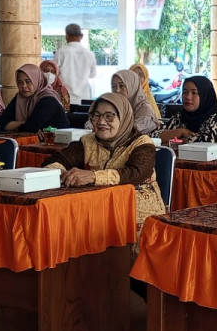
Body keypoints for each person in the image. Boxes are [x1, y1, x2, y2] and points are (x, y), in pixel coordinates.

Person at [44, 92, 165, 238]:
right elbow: (54, 160)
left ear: (124, 117)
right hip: (98, 210)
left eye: (109, 116)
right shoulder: (88, 142)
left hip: (136, 215)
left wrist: (93, 177)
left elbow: (135, 173)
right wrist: (64, 174)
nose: (101, 122)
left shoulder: (142, 143)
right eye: (97, 115)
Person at [159, 75, 217, 144]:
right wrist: (180, 132)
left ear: (204, 96)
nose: (188, 97)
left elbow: (207, 144)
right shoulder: (181, 116)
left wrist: (173, 141)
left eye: (194, 93)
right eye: (185, 92)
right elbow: (151, 136)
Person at [0, 63, 69, 133]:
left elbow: (32, 126)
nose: (24, 86)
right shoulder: (19, 98)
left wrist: (15, 125)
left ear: (37, 81)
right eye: (20, 82)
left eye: (28, 82)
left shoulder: (48, 99)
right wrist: (24, 123)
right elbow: (0, 123)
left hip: (59, 142)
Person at [53, 23, 97, 103]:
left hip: (64, 99)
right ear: (81, 36)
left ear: (67, 36)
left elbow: (53, 75)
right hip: (83, 99)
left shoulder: (61, 53)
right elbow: (92, 75)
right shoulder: (89, 54)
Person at [110, 68, 161, 136]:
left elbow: (132, 132)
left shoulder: (144, 109)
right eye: (113, 86)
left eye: (122, 86)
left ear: (132, 86)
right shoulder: (112, 105)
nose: (117, 90)